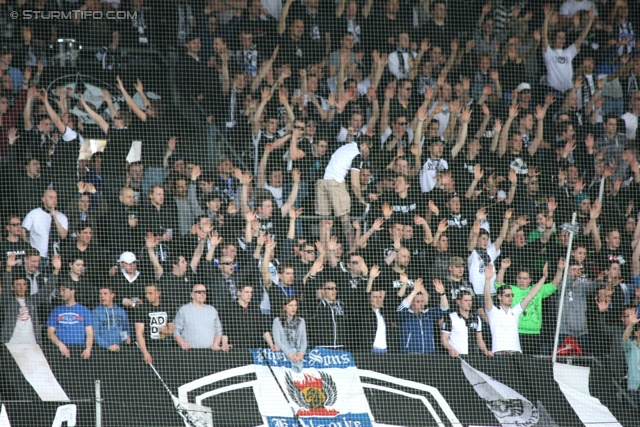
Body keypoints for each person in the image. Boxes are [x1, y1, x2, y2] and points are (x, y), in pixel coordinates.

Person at [495, 258, 564, 355]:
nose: (522, 281)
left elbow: (554, 285)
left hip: (535, 334)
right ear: (516, 279)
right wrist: (502, 269)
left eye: (525, 278)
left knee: (531, 364)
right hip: (516, 333)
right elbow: (498, 285)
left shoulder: (538, 289)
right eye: (519, 278)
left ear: (530, 280)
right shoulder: (511, 289)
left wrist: (560, 269)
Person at [484, 263, 550, 355]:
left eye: (512, 295)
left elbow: (531, 294)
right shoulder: (493, 311)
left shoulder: (515, 311)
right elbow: (487, 298)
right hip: (500, 353)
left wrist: (544, 277)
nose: (510, 297)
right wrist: (487, 280)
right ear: (499, 297)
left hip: (516, 353)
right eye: (507, 295)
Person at [397, 278, 448, 354]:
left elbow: (444, 309)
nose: (421, 304)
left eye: (422, 301)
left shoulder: (428, 313)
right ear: (411, 303)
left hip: (429, 355)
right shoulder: (405, 314)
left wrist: (442, 294)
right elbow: (400, 309)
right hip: (410, 355)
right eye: (418, 302)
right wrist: (414, 292)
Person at [221, 284, 279, 350]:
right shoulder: (230, 308)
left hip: (254, 348)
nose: (249, 295)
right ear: (239, 292)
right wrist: (224, 344)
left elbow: (264, 329)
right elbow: (225, 330)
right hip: (236, 349)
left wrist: (271, 345)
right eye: (246, 292)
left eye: (251, 292)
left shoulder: (255, 308)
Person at [173, 284, 229, 351]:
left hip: (210, 351)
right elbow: (176, 331)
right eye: (199, 292)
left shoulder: (212, 310)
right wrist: (182, 344)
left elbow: (218, 330)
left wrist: (216, 344)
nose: (202, 294)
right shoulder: (184, 310)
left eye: (204, 292)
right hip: (190, 351)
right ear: (192, 295)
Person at [46, 283, 93, 359]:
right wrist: (60, 345)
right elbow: (50, 333)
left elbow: (89, 333)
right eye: (60, 291)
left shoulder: (84, 310)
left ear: (72, 291)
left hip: (80, 351)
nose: (61, 293)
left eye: (64, 290)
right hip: (60, 350)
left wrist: (88, 349)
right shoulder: (56, 311)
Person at [441, 290, 492, 358]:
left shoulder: (476, 319)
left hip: (473, 357)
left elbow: (479, 339)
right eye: (466, 300)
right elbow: (443, 339)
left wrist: (485, 350)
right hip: (456, 357)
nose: (469, 303)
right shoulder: (450, 318)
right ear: (458, 302)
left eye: (470, 300)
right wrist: (451, 349)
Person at [133, 284, 176, 365]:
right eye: (146, 293)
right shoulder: (141, 309)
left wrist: (167, 331)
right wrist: (145, 352)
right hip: (149, 348)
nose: (147, 296)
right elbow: (139, 334)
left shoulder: (166, 307)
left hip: (165, 348)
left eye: (150, 293)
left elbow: (172, 329)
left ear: (158, 293)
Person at [0, 270, 42, 344]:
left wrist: (56, 271)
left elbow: (46, 290)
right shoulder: (8, 302)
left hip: (32, 344)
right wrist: (9, 269)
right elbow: (6, 289)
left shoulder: (32, 301)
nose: (22, 287)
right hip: (12, 344)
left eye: (24, 284)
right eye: (19, 284)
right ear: (13, 287)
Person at [309, 279, 349, 349]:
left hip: (341, 348)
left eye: (335, 288)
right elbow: (308, 293)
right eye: (330, 289)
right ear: (323, 291)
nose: (334, 291)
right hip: (322, 349)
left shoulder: (342, 305)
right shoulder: (316, 305)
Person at [272, 297, 307, 373]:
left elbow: (304, 340)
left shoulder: (301, 321)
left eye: (295, 305)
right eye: (291, 305)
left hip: (298, 354)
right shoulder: (277, 321)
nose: (293, 308)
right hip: (284, 354)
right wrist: (289, 354)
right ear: (285, 307)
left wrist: (301, 352)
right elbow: (277, 341)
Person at [92, 286, 131, 352]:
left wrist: (124, 340)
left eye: (105, 294)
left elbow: (125, 329)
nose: (102, 296)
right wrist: (108, 346)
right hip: (103, 350)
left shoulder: (121, 311)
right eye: (100, 294)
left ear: (112, 295)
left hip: (120, 349)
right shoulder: (95, 312)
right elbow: (95, 335)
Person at [622, 315, 640, 400]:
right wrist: (631, 325)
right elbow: (625, 339)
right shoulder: (631, 346)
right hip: (634, 387)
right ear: (636, 333)